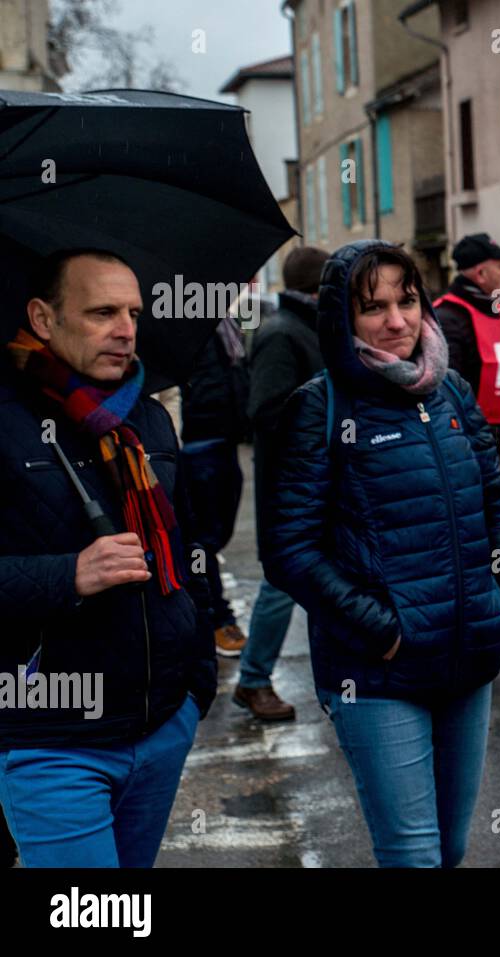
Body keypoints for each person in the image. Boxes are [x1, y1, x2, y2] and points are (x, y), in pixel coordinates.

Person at [265, 240, 500, 867]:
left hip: (468, 655)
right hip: (379, 674)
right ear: (342, 320)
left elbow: (495, 499)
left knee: (453, 847)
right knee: (413, 855)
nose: (397, 321)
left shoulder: (451, 391)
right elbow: (289, 551)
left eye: (407, 301)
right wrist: (386, 630)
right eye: (373, 307)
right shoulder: (320, 406)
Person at [0, 249, 216, 866]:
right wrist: (68, 575)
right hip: (52, 736)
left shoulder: (147, 419)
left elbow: (190, 552)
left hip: (159, 725)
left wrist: (196, 684)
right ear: (43, 318)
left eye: (133, 312)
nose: (126, 330)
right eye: (101, 313)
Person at [233, 245, 330, 721]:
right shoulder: (281, 333)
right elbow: (265, 411)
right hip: (291, 487)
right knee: (282, 584)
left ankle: (340, 682)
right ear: (317, 288)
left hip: (318, 482)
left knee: (329, 582)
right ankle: (252, 680)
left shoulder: (311, 328)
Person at [434, 233, 500, 656]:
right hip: (475, 442)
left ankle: (499, 605)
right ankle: (491, 618)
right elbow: (448, 387)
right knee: (485, 529)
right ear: (481, 272)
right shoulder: (448, 316)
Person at [180, 305, 252, 657]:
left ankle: (206, 610)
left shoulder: (224, 321)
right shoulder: (180, 322)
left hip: (225, 438)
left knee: (217, 535)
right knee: (203, 541)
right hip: (195, 443)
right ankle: (215, 619)